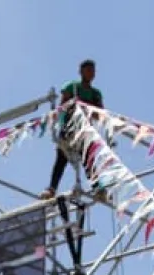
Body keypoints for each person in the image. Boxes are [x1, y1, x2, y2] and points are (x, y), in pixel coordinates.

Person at [41, 59, 102, 199]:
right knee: (61, 159)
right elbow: (63, 107)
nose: (91, 73)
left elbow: (100, 114)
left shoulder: (95, 93)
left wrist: (85, 107)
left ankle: (97, 187)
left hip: (85, 130)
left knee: (88, 158)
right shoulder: (71, 87)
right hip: (69, 128)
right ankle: (52, 189)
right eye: (88, 70)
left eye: (93, 71)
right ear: (81, 72)